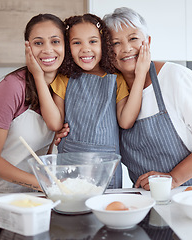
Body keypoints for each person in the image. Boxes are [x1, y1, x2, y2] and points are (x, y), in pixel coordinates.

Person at [101, 7, 192, 190]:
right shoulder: (112, 91)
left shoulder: (175, 78)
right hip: (149, 201)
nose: (126, 48)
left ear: (147, 41)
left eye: (133, 38)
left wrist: (174, 178)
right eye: (115, 43)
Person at [0, 13, 66, 194]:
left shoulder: (61, 90)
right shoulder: (11, 88)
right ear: (28, 47)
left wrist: (56, 141)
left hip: (24, 192)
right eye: (38, 43)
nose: (48, 50)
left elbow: (41, 153)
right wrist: (40, 183)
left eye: (55, 41)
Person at [44, 13, 150, 188]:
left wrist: (140, 75)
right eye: (77, 42)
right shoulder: (64, 79)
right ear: (68, 47)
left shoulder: (116, 80)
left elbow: (126, 121)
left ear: (104, 45)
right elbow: (55, 123)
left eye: (93, 41)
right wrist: (39, 77)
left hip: (105, 166)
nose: (85, 49)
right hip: (70, 164)